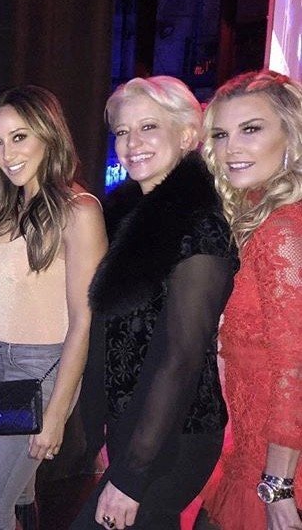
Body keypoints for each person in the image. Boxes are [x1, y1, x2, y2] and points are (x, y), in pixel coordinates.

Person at [71, 76, 238, 530]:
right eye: (122, 131)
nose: (132, 143)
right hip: (138, 427)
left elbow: (181, 360)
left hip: (175, 435)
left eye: (149, 127)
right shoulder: (127, 218)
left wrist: (131, 475)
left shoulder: (199, 224)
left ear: (186, 135)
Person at [0, 84, 107, 530]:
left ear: (48, 134)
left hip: (41, 369)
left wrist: (57, 414)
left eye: (19, 137)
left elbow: (84, 319)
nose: (7, 153)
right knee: (18, 496)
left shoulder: (79, 210)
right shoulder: (9, 203)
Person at [199, 70, 302, 530]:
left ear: (291, 135)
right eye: (221, 135)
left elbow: (295, 364)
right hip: (253, 449)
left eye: (251, 129)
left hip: (277, 463)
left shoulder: (282, 229)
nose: (231, 149)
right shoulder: (260, 216)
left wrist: (278, 484)